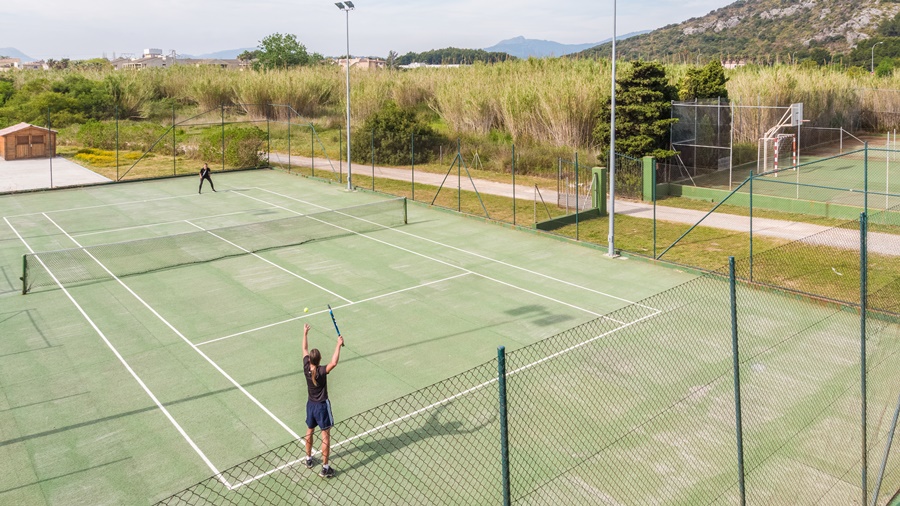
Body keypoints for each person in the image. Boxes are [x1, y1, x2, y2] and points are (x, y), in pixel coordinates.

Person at [301, 323, 343, 478]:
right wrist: (338, 345)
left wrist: (305, 334)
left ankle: (308, 459)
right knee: (325, 436)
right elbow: (334, 363)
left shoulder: (306, 367)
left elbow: (304, 349)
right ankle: (325, 468)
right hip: (322, 407)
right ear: (319, 360)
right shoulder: (320, 371)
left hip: (310, 405)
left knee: (309, 430)